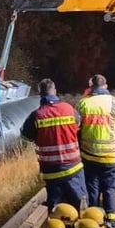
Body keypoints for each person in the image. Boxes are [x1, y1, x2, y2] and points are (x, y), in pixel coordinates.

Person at [21, 78, 88, 212]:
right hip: (73, 169)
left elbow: (25, 136)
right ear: (55, 91)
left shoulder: (36, 116)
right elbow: (79, 125)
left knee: (57, 212)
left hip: (52, 172)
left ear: (40, 93)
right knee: (81, 206)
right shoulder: (69, 109)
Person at [77, 73, 115, 228]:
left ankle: (93, 223)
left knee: (92, 189)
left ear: (91, 87)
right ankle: (112, 224)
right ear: (105, 86)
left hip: (89, 156)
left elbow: (76, 130)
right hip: (111, 157)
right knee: (110, 190)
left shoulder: (83, 103)